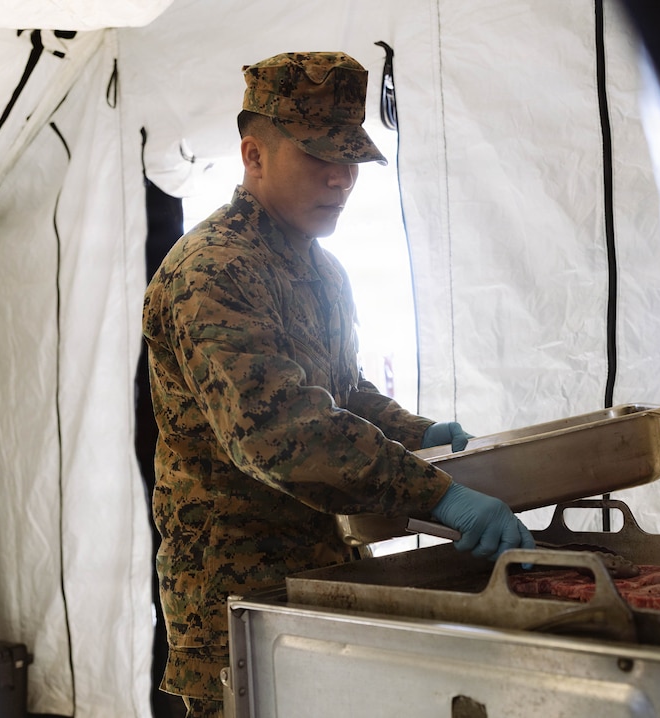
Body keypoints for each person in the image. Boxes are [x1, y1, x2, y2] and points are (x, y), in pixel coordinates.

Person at [142, 51, 534, 717]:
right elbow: (278, 432)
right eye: (318, 157)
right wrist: (438, 495)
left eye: (351, 158)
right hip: (236, 595)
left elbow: (342, 394)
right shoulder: (213, 271)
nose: (342, 179)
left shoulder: (319, 269)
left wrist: (420, 435)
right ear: (254, 155)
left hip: (319, 572)